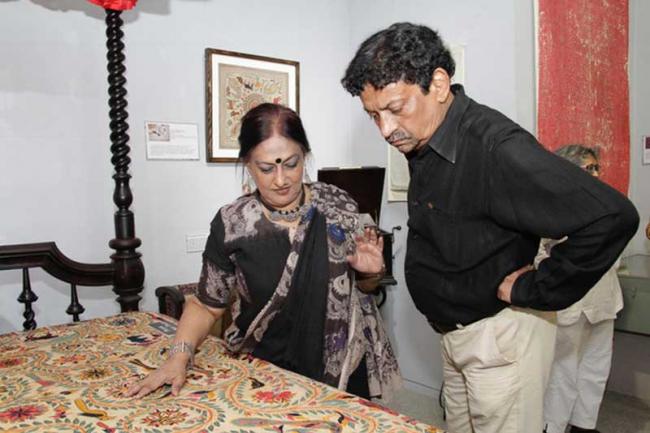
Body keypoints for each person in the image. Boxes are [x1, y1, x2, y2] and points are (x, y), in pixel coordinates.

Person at [341, 22, 639, 433]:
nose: (386, 129)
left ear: (439, 84)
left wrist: (535, 288)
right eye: (373, 115)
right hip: (457, 339)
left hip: (500, 340)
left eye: (395, 109)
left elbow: (612, 216)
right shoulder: (426, 139)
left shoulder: (496, 147)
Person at [126, 103, 400, 400]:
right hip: (268, 374)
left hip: (344, 369)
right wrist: (178, 357)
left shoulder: (338, 205)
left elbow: (363, 288)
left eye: (291, 164)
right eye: (266, 168)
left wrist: (371, 274)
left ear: (305, 156)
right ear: (248, 165)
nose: (281, 180)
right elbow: (206, 305)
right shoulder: (233, 223)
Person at [540, 145, 623, 433]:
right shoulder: (550, 207)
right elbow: (539, 254)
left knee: (595, 368)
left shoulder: (608, 204)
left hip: (603, 300)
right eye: (588, 168)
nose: (596, 174)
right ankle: (552, 427)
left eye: (597, 167)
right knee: (562, 371)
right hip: (568, 303)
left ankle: (584, 426)